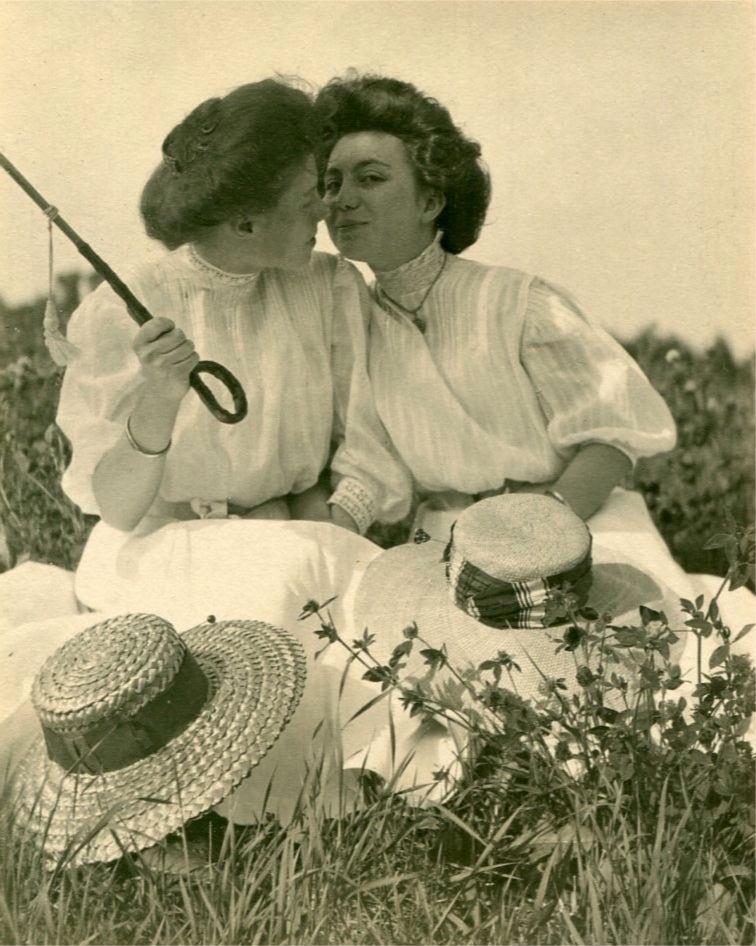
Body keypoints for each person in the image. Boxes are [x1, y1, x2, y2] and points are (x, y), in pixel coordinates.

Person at [313, 72, 749, 622]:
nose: (342, 201)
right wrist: (321, 540)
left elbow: (612, 435)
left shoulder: (518, 300)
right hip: (444, 552)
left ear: (431, 199)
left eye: (370, 178)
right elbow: (370, 471)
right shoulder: (356, 322)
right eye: (331, 183)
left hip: (580, 528)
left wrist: (543, 533)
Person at [51, 78, 410, 614]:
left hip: (294, 541)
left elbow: (368, 438)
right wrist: (161, 396)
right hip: (156, 557)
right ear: (244, 220)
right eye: (307, 200)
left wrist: (328, 531)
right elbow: (119, 509)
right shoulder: (123, 307)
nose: (324, 214)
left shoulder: (331, 287)